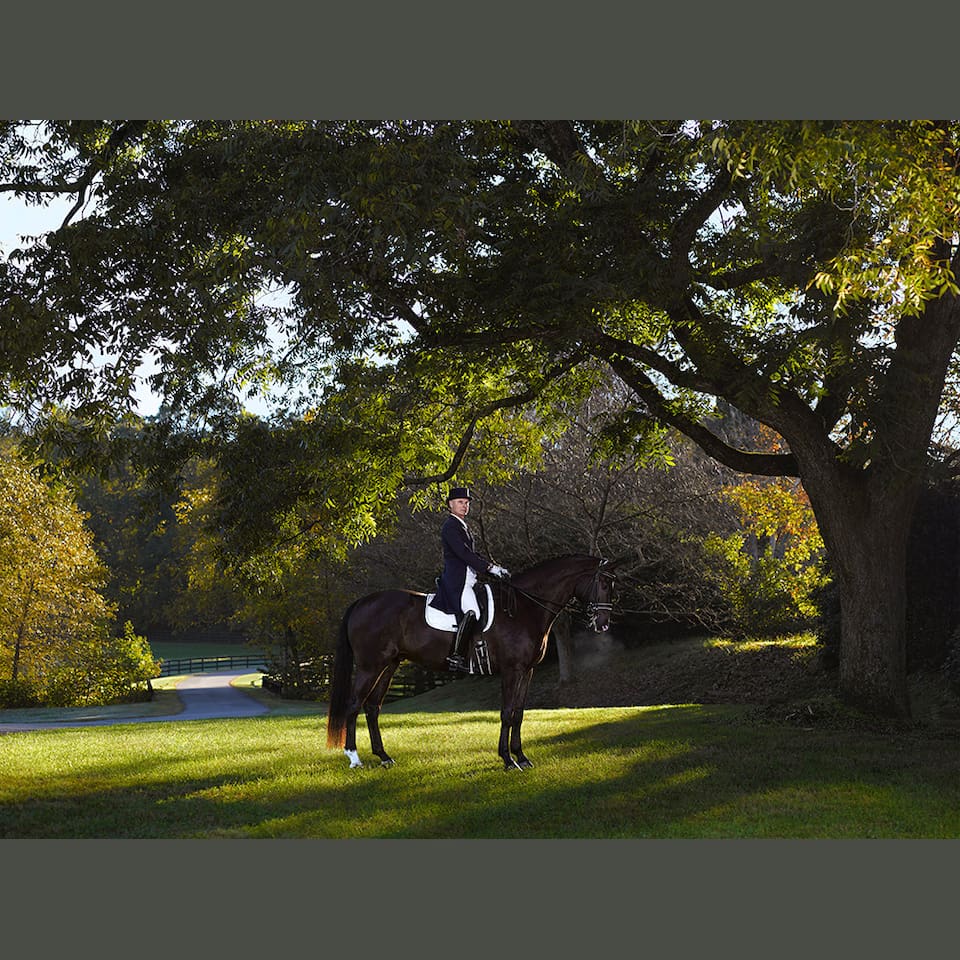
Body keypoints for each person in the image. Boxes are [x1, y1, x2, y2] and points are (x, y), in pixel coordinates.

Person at [428, 486, 510, 672]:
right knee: (473, 611)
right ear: (450, 504)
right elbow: (464, 553)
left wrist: (494, 569)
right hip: (457, 582)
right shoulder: (450, 526)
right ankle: (456, 657)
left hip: (469, 580)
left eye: (466, 503)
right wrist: (489, 568)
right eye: (460, 503)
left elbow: (473, 554)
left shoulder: (462, 526)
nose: (464, 506)